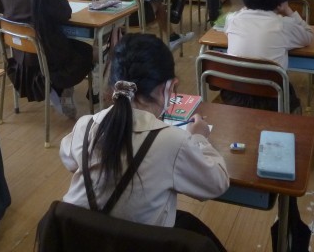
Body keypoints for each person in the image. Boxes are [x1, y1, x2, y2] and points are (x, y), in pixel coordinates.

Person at [60, 33, 228, 251]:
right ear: (168, 88)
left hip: (80, 241)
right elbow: (217, 183)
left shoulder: (86, 125)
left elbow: (69, 160)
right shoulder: (173, 141)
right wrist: (199, 138)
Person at [0, 0, 94, 119]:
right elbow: (65, 13)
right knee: (87, 50)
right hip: (49, 59)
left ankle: (58, 90)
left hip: (21, 58)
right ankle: (64, 88)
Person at [222, 0, 314, 112]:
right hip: (272, 99)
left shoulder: (232, 19)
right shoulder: (283, 25)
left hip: (234, 94)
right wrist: (288, 10)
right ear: (281, 2)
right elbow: (309, 36)